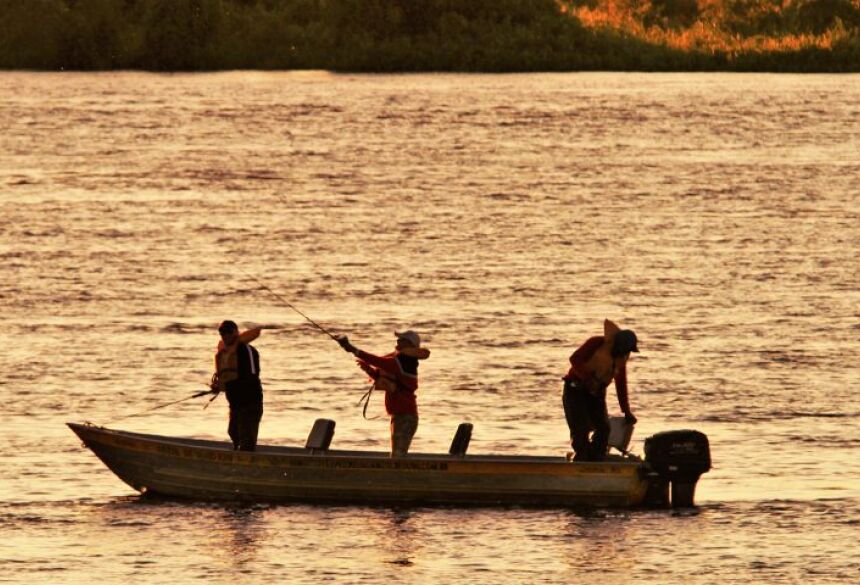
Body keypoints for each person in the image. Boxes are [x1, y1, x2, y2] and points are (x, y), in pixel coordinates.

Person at [337, 330, 430, 457]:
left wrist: (352, 349)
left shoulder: (404, 362)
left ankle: (398, 476)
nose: (397, 341)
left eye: (401, 340)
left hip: (405, 417)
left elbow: (378, 361)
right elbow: (385, 377)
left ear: (409, 344)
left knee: (398, 456)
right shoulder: (400, 361)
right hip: (399, 416)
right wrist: (369, 370)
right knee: (397, 455)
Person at [562, 319, 639, 462]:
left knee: (603, 428)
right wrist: (587, 378)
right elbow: (574, 359)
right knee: (580, 428)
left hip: (596, 393)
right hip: (575, 389)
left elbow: (621, 384)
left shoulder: (621, 358)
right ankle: (582, 458)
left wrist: (626, 411)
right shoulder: (596, 343)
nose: (626, 353)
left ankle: (596, 458)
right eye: (625, 349)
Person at [210, 320, 264, 451]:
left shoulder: (247, 350)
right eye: (222, 333)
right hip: (235, 404)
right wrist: (218, 386)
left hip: (250, 403)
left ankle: (246, 465)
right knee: (233, 433)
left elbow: (251, 377)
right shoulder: (225, 354)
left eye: (229, 332)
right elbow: (226, 377)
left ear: (236, 332)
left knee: (246, 442)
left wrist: (228, 386)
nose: (226, 335)